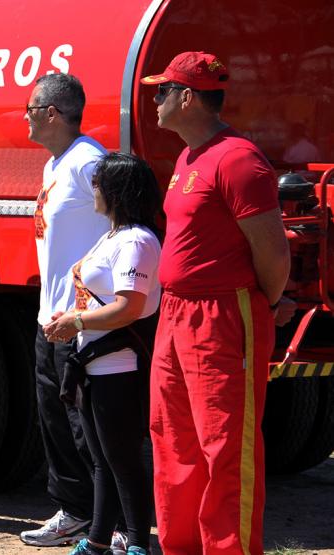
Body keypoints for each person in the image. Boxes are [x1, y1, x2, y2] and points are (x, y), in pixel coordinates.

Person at [140, 51, 289, 554]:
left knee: (226, 448)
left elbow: (273, 254)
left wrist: (258, 307)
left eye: (162, 91)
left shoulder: (238, 158)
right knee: (173, 441)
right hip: (177, 313)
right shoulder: (189, 157)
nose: (155, 99)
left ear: (187, 97)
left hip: (223, 314)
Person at [42, 153, 161, 555]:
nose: (93, 190)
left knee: (123, 461)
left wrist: (76, 323)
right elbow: (101, 298)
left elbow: (128, 307)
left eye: (98, 184)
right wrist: (73, 317)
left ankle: (137, 546)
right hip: (94, 364)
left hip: (120, 366)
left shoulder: (137, 241)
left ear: (116, 191)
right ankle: (96, 543)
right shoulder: (112, 236)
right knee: (102, 462)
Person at [19, 73, 110, 547]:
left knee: (86, 430)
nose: (25, 117)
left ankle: (108, 524)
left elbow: (125, 231)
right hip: (48, 318)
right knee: (56, 424)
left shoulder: (89, 161)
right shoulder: (55, 164)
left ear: (51, 113)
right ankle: (74, 512)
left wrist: (95, 311)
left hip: (80, 324)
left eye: (31, 108)